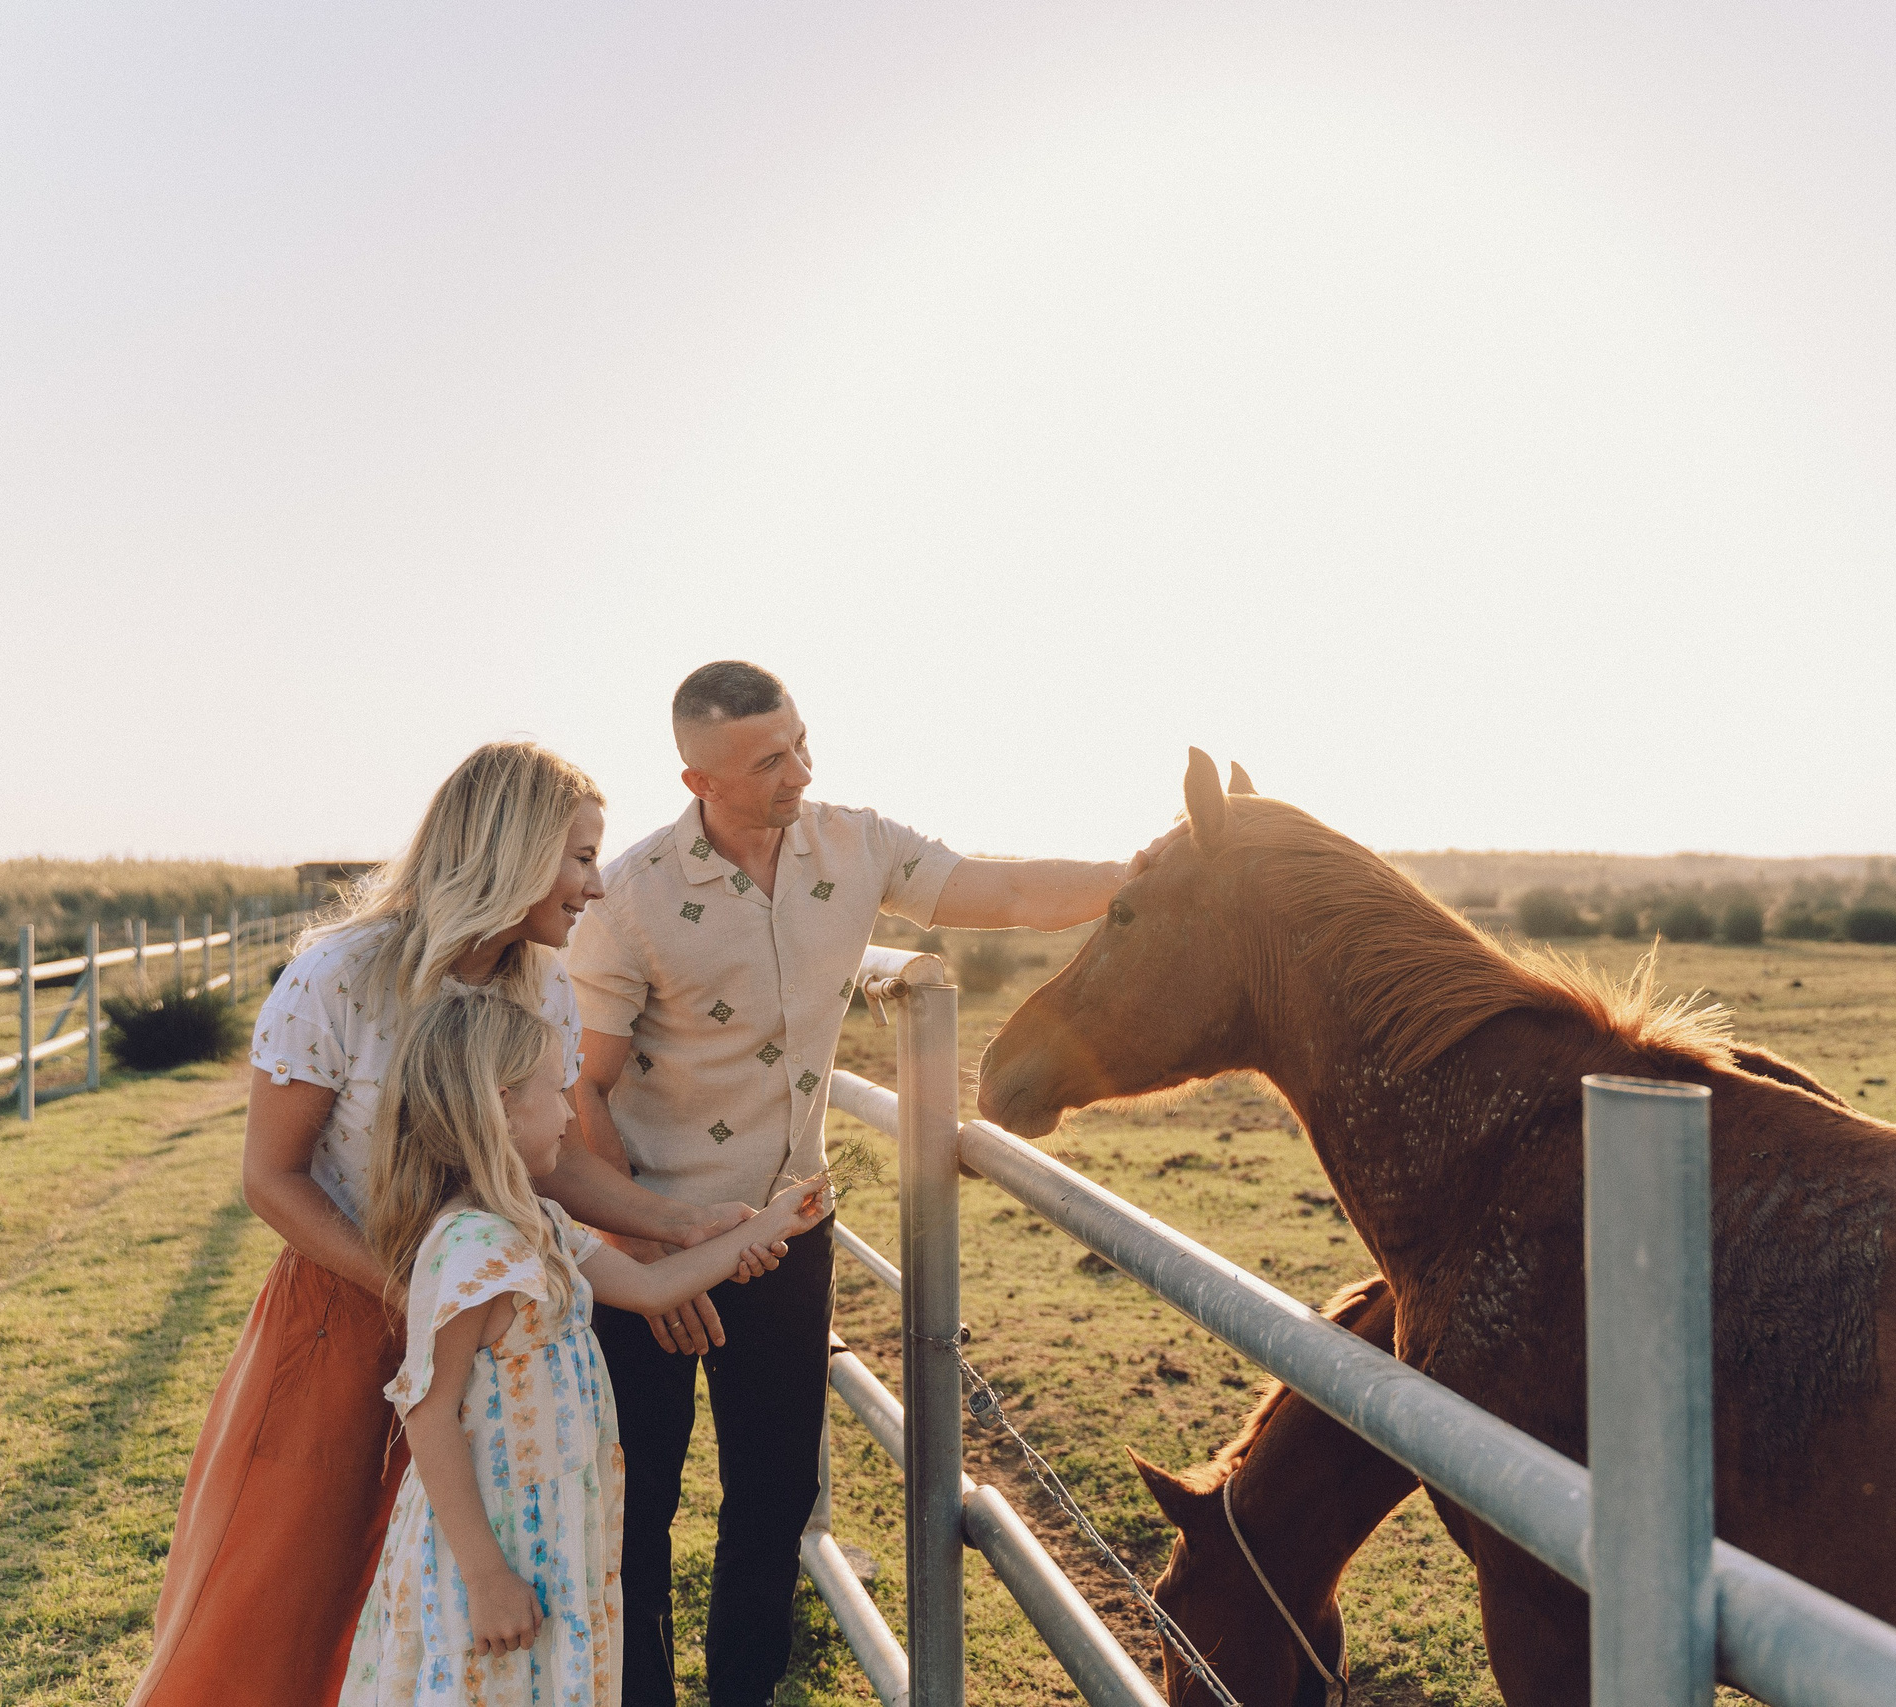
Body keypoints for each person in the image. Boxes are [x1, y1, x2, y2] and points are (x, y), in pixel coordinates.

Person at [565, 660, 1177, 1707]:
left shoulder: (855, 844)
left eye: (801, 743)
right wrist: (648, 1253)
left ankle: (744, 1696)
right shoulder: (628, 899)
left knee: (774, 1496)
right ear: (699, 781)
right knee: (637, 1504)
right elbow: (583, 1089)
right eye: (770, 760)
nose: (801, 771)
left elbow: (1009, 892)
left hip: (787, 1229)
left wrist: (1138, 874)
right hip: (649, 1232)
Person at [132, 742, 774, 1707]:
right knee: (280, 1593)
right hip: (343, 1310)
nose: (597, 885)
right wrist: (419, 1290)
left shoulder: (542, 985)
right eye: (581, 857)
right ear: (513, 852)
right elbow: (272, 1176)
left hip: (495, 1329)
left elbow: (554, 1161)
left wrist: (679, 1225)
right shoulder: (337, 976)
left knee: (446, 1601)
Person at [339, 989, 829, 1707]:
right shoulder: (471, 1248)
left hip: (555, 1528)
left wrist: (769, 1226)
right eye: (556, 1092)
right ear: (503, 1106)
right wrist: (486, 1576)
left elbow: (652, 1287)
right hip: (494, 1542)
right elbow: (428, 1413)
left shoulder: (538, 1220)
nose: (572, 1115)